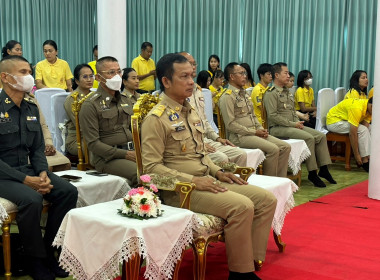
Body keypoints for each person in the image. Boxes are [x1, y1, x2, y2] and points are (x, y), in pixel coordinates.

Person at [141, 53, 276, 280]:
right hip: (181, 189)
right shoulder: (156, 118)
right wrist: (194, 181)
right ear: (165, 81)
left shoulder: (190, 111)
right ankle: (240, 274)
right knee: (242, 206)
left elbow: (201, 153)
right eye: (183, 76)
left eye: (192, 76)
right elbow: (151, 170)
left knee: (266, 200)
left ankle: (248, 261)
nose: (191, 81)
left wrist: (219, 172)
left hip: (207, 180)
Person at [0, 55, 78, 280]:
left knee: (67, 191)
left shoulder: (31, 107)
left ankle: (48, 251)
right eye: (23, 72)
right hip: (3, 175)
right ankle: (34, 260)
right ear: (5, 77)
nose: (29, 76)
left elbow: (36, 149)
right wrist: (28, 181)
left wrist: (43, 173)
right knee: (31, 199)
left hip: (27, 170)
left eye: (29, 71)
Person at [263, 62, 336, 188]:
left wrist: (298, 121)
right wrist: (293, 124)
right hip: (277, 129)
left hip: (291, 125)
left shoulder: (287, 92)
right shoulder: (271, 93)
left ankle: (324, 169)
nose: (288, 75)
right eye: (285, 73)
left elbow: (291, 112)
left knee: (320, 136)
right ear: (276, 75)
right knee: (309, 138)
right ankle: (312, 173)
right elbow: (273, 116)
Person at [219, 62, 291, 177]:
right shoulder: (227, 97)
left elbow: (253, 116)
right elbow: (230, 125)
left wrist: (261, 129)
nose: (245, 76)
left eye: (245, 73)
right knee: (273, 149)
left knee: (285, 147)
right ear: (232, 77)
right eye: (241, 73)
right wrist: (254, 132)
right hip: (239, 137)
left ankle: (280, 180)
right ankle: (270, 182)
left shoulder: (245, 94)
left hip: (254, 133)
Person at [180, 52, 247, 167]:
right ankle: (223, 184)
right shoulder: (179, 93)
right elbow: (181, 130)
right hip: (191, 143)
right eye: (189, 63)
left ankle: (238, 183)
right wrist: (198, 143)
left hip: (205, 138)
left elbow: (204, 120)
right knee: (222, 158)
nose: (194, 66)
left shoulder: (198, 91)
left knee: (241, 154)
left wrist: (218, 138)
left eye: (194, 63)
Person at [79, 56, 137, 186]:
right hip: (107, 158)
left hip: (132, 151)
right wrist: (125, 154)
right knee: (142, 174)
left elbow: (134, 129)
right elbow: (93, 144)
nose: (117, 76)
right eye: (111, 73)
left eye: (119, 72)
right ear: (98, 78)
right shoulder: (91, 104)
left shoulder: (125, 99)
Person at [326, 98, 372, 172]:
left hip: (345, 121)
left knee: (371, 128)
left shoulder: (369, 108)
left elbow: (365, 126)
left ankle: (370, 157)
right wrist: (357, 155)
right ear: (372, 106)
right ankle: (365, 161)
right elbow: (352, 134)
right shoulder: (357, 108)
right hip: (334, 122)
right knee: (362, 130)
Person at [64, 64, 95, 155]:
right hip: (77, 140)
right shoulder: (73, 99)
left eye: (91, 76)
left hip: (94, 136)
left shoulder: (94, 96)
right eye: (85, 77)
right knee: (103, 148)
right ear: (77, 81)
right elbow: (80, 125)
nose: (89, 80)